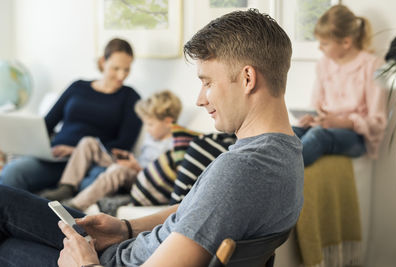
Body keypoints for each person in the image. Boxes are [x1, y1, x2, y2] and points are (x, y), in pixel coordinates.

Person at [0, 9, 303, 267]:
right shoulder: (286, 152)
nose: (199, 99)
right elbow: (201, 209)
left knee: (6, 243)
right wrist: (126, 227)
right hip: (123, 245)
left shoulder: (240, 170)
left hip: (109, 261)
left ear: (248, 79)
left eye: (207, 82)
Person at [0, 38, 142, 193]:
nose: (121, 75)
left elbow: (123, 144)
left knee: (90, 186)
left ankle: (61, 199)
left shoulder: (131, 98)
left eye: (126, 69)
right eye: (116, 68)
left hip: (92, 164)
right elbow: (47, 124)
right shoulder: (77, 87)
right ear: (103, 61)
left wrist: (77, 151)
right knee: (12, 173)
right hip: (56, 159)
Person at [40, 90, 182, 211]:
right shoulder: (154, 137)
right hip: (135, 169)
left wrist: (137, 168)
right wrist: (130, 159)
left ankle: (74, 205)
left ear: (168, 121)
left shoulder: (174, 144)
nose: (147, 129)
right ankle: (67, 186)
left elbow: (160, 177)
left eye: (150, 124)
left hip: (145, 179)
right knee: (88, 142)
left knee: (117, 170)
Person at [292, 5, 387, 166]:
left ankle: (278, 176)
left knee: (317, 136)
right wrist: (311, 116)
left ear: (346, 42)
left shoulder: (372, 66)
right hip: (323, 126)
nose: (319, 48)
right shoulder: (324, 65)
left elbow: (377, 123)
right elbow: (316, 104)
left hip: (355, 137)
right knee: (287, 132)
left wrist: (344, 123)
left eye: (325, 43)